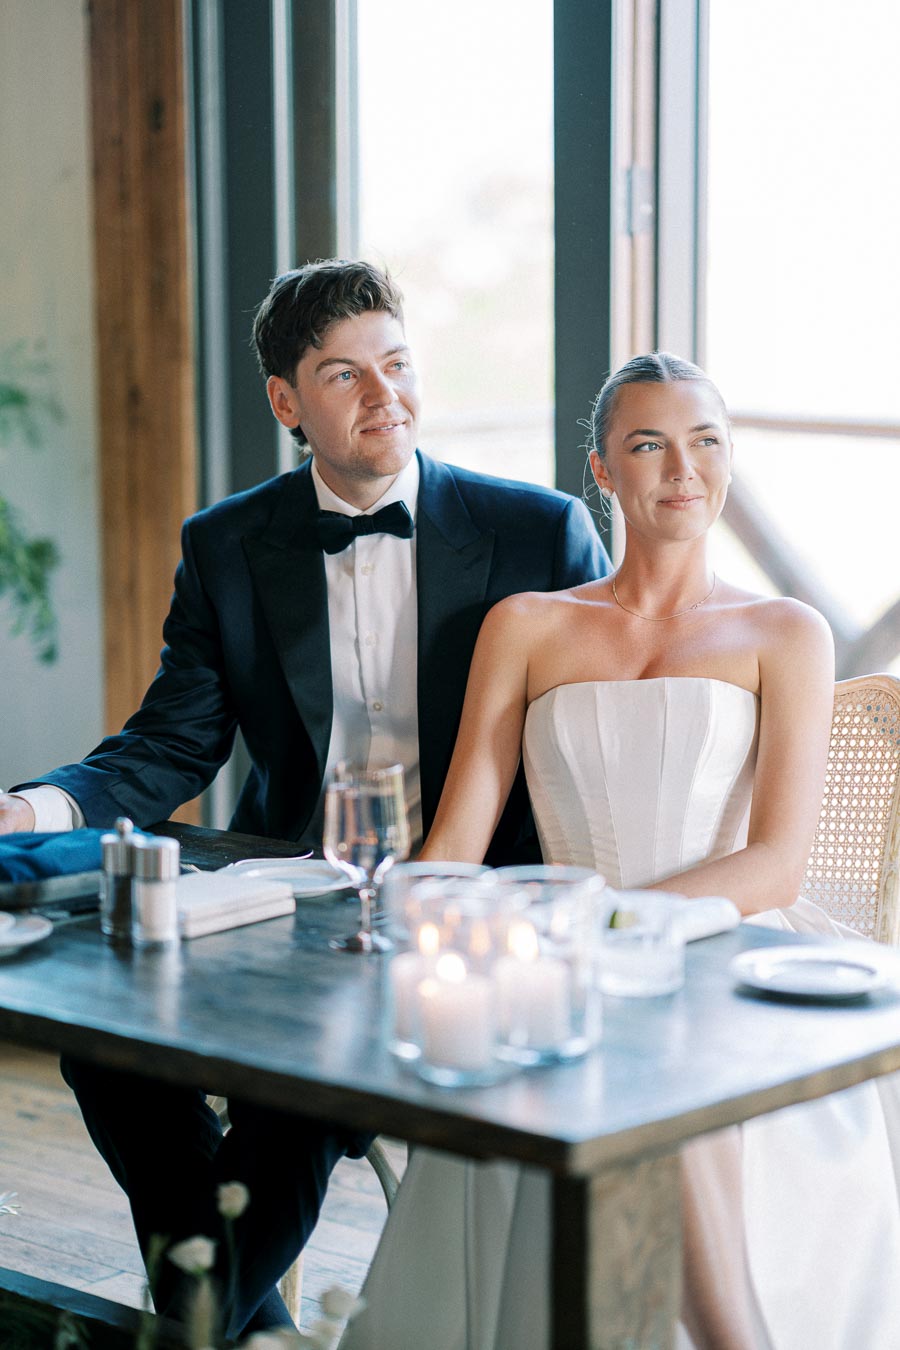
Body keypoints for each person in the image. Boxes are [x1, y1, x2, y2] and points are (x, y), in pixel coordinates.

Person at [0, 260, 609, 1339]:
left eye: (398, 364)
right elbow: (168, 745)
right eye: (343, 375)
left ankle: (198, 1320)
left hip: (471, 917)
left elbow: (604, 739)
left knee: (299, 1075)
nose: (385, 397)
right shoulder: (229, 545)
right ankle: (240, 1320)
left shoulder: (538, 533)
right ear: (288, 404)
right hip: (289, 891)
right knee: (99, 1026)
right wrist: (35, 810)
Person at [340, 353, 900, 1350]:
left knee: (668, 1056)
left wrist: (609, 930)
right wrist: (390, 919)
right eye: (649, 444)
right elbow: (457, 844)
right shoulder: (526, 625)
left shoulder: (786, 630)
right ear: (601, 469)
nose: (682, 468)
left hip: (725, 946)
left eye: (706, 442)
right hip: (553, 961)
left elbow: (776, 863)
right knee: (602, 1047)